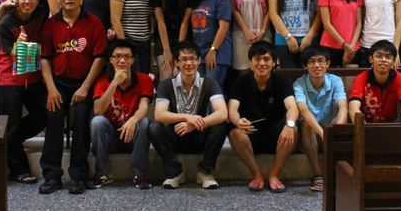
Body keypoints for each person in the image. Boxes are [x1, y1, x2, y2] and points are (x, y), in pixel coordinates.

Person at [38, 0, 108, 194]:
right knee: (53, 120)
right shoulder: (50, 25)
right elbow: (45, 58)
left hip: (83, 82)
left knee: (81, 123)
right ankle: (51, 176)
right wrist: (51, 89)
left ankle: (79, 176)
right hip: (57, 83)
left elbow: (100, 57)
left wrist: (85, 87)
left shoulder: (94, 22)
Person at [149, 41, 229, 190]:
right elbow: (159, 114)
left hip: (199, 135)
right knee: (154, 128)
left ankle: (205, 172)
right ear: (177, 63)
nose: (189, 63)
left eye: (192, 59)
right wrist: (186, 117)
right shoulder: (166, 85)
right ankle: (174, 172)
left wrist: (195, 124)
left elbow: (222, 113)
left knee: (221, 125)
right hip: (176, 134)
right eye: (184, 59)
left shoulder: (210, 83)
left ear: (199, 61)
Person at [0, 0, 49, 184]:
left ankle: (12, 140)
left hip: (32, 74)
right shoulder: (6, 22)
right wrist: (19, 44)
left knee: (42, 116)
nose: (28, 1)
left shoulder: (41, 13)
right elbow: (11, 52)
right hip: (10, 76)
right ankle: (19, 171)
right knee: (11, 123)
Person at [227, 41, 299, 193]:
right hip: (251, 134)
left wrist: (290, 124)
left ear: (274, 63)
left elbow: (292, 107)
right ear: (251, 63)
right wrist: (238, 121)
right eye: (257, 59)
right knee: (234, 132)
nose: (262, 63)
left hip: (276, 136)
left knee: (293, 129)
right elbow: (232, 109)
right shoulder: (241, 82)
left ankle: (274, 174)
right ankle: (256, 174)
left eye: (266, 59)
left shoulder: (282, 81)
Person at [89, 39, 154, 190]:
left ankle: (140, 174)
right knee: (97, 122)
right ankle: (101, 173)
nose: (122, 61)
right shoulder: (102, 81)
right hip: (111, 138)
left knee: (144, 122)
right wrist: (114, 83)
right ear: (111, 60)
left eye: (126, 57)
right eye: (117, 56)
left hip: (133, 137)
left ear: (132, 60)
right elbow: (98, 110)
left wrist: (133, 120)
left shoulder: (144, 79)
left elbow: (144, 106)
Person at [293, 46, 347, 192]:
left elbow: (343, 105)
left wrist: (338, 129)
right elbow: (303, 110)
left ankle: (336, 172)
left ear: (327, 63)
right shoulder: (299, 83)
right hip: (311, 133)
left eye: (320, 61)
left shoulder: (335, 81)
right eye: (312, 62)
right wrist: (323, 133)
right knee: (306, 124)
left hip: (330, 130)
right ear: (305, 65)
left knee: (342, 119)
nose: (317, 65)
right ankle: (318, 175)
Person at [185, 0, 232, 89]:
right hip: (198, 54)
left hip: (218, 53)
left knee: (212, 89)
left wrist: (213, 50)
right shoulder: (194, 1)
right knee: (201, 90)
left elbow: (223, 27)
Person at [110, 0, 154, 76]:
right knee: (130, 79)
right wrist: (124, 46)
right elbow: (115, 19)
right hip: (128, 41)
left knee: (144, 78)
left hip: (145, 43)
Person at [348, 40, 401, 123]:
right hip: (365, 126)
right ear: (371, 59)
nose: (383, 60)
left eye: (388, 57)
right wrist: (362, 127)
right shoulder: (361, 78)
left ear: (394, 61)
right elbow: (353, 107)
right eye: (379, 56)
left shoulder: (399, 78)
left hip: (390, 126)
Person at [152, 0, 192, 80]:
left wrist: (178, 51)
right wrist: (167, 50)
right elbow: (160, 22)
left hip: (183, 38)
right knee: (166, 73)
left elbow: (185, 22)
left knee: (178, 73)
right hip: (163, 38)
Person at [318, 0, 363, 67]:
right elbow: (326, 24)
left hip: (353, 46)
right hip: (330, 45)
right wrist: (345, 45)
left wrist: (351, 46)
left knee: (350, 77)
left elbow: (358, 23)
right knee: (331, 78)